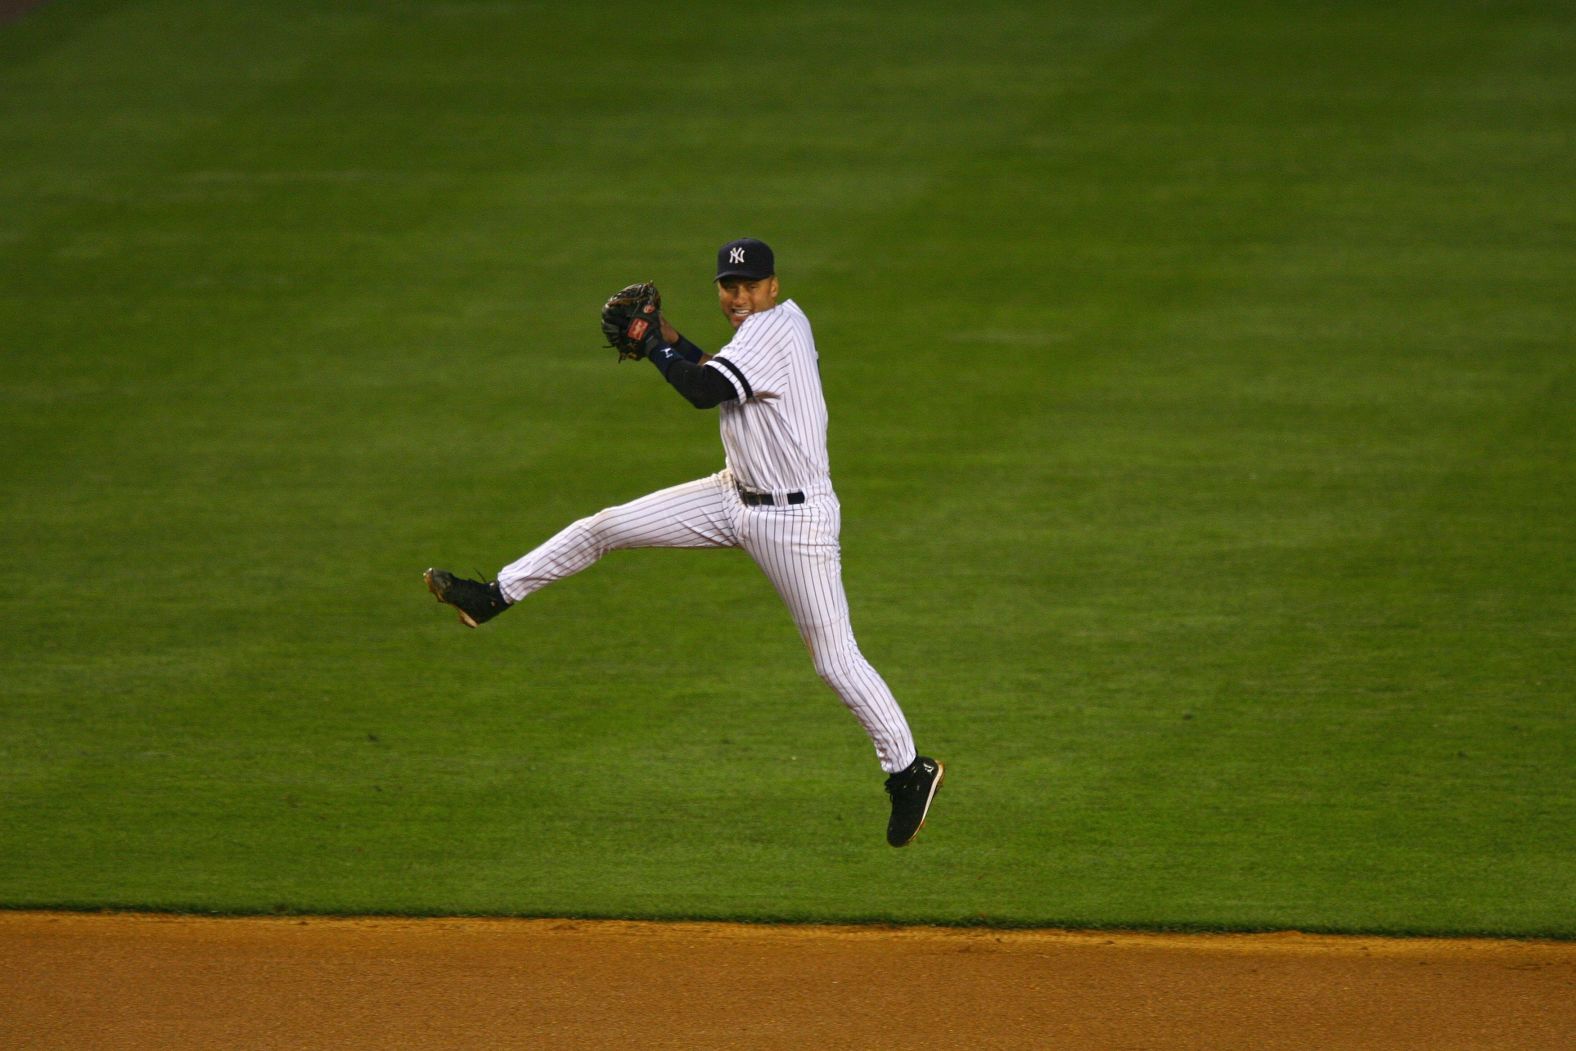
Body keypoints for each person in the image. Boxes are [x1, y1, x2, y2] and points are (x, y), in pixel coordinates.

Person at [425, 238, 944, 847]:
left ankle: (909, 771)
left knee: (834, 660)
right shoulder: (761, 329)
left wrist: (651, 344)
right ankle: (494, 595)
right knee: (607, 526)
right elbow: (713, 372)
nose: (738, 296)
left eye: (751, 285)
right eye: (729, 285)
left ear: (774, 286)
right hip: (733, 497)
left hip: (795, 525)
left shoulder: (777, 328)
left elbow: (702, 391)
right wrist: (667, 337)